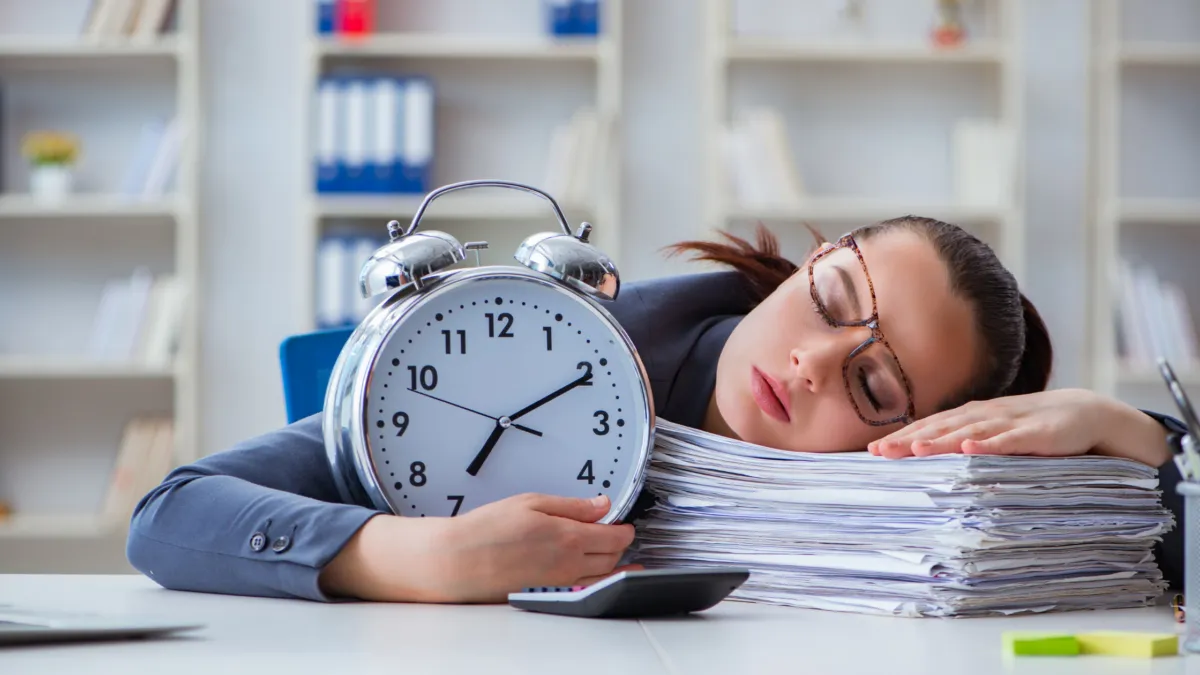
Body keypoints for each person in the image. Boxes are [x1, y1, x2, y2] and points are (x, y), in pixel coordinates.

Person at [127, 216, 1186, 603]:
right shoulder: (572, 342)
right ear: (807, 265)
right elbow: (171, 515)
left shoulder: (916, 501)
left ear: (910, 438)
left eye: (874, 385)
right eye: (830, 300)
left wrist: (1140, 439)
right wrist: (410, 558)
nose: (813, 362)